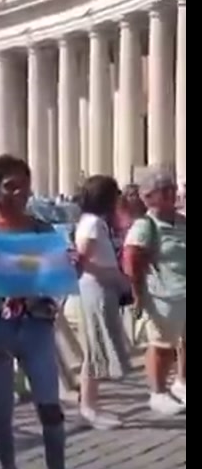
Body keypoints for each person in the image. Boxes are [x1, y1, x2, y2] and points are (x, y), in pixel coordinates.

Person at [0, 155, 77, 469]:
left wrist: (74, 265)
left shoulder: (43, 230)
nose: (20, 192)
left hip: (36, 325)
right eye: (11, 186)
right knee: (1, 405)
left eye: (24, 184)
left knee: (49, 402)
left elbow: (60, 278)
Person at [72, 174, 135, 429]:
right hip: (96, 288)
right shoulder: (94, 224)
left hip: (100, 288)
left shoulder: (93, 222)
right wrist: (111, 276)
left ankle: (91, 403)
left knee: (96, 349)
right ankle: (88, 406)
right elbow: (81, 258)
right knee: (94, 350)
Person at [124, 166, 187, 413]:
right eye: (164, 191)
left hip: (183, 291)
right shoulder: (145, 226)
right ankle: (158, 391)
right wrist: (138, 293)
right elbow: (132, 259)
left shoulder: (181, 221)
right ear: (148, 197)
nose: (171, 195)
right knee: (162, 346)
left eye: (172, 189)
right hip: (162, 296)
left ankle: (181, 382)